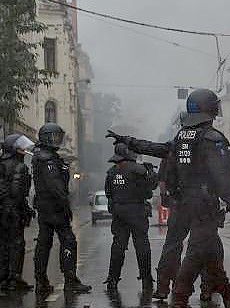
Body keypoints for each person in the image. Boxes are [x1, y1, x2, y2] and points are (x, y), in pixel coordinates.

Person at [159, 88, 230, 308]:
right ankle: (179, 301)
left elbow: (170, 170)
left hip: (185, 202)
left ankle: (229, 296)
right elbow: (221, 173)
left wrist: (172, 196)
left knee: (212, 251)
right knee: (197, 253)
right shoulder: (211, 137)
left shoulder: (182, 136)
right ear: (208, 109)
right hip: (205, 203)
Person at [107, 113, 213, 302]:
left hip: (172, 204)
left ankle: (158, 286)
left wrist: (127, 139)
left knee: (167, 245)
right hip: (195, 204)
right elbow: (150, 188)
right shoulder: (205, 143)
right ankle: (164, 283)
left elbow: (154, 156)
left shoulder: (174, 148)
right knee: (202, 246)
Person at [31, 123, 91, 294]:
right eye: (55, 137)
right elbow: (55, 186)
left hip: (45, 207)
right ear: (47, 137)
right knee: (68, 241)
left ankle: (41, 281)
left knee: (44, 243)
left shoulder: (44, 156)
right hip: (54, 207)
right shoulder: (47, 159)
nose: (58, 140)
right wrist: (65, 204)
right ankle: (70, 281)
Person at [104, 142, 159, 292]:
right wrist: (150, 172)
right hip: (136, 210)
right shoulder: (138, 170)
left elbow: (108, 193)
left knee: (118, 246)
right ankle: (146, 278)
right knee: (142, 245)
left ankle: (112, 279)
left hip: (119, 211)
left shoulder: (111, 172)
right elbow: (150, 188)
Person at [0, 134, 34, 293]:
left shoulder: (1, 164)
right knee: (17, 244)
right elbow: (17, 192)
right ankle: (14, 278)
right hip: (13, 211)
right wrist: (25, 209)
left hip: (2, 210)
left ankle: (4, 277)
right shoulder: (19, 167)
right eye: (21, 148)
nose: (24, 150)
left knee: (3, 244)